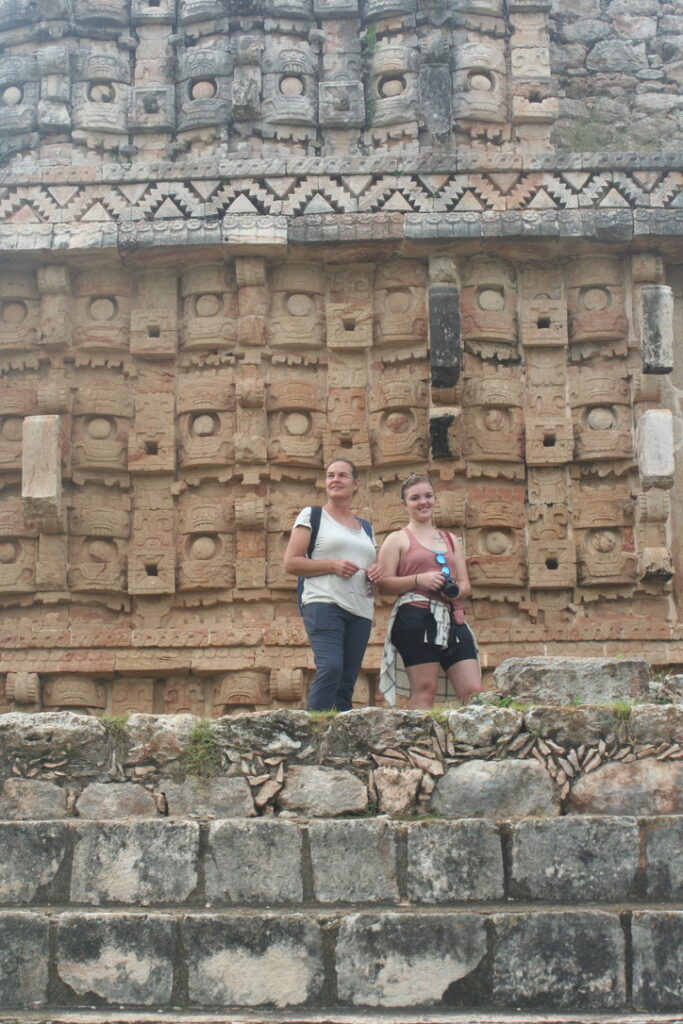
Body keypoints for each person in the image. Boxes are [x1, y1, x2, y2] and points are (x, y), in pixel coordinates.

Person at [283, 458, 383, 711]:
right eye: (330, 475)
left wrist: (376, 573)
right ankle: (310, 733)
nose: (335, 480)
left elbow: (372, 569)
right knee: (330, 668)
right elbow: (291, 563)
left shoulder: (367, 528)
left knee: (347, 680)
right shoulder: (313, 515)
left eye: (342, 475)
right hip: (324, 602)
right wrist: (332, 565)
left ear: (356, 484)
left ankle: (338, 742)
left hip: (360, 610)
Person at [377, 473, 482, 709]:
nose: (423, 502)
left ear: (435, 499)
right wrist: (419, 579)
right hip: (415, 615)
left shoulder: (451, 539)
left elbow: (465, 584)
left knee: (473, 691)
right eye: (415, 498)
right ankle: (419, 743)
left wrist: (454, 593)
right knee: (425, 689)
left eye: (428, 496)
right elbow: (383, 585)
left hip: (452, 617)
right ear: (404, 504)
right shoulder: (397, 539)